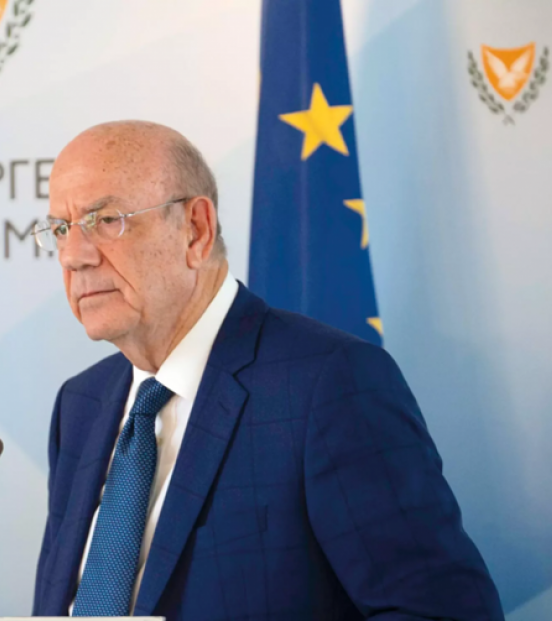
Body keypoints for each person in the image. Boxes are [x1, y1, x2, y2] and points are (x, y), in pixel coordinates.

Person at [31, 120, 503, 620]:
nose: (73, 256)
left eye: (106, 220)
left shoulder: (328, 384)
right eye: (61, 229)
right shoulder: (81, 405)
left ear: (195, 229)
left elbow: (443, 613)